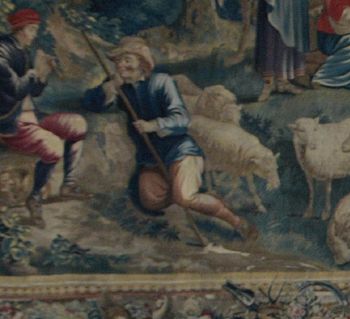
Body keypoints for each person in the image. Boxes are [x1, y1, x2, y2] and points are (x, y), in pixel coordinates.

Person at [83, 37, 256, 241]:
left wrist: (153, 125)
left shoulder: (161, 82)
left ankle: (236, 222)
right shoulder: (119, 87)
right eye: (118, 61)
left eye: (127, 59)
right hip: (151, 157)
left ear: (142, 62)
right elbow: (90, 103)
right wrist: (109, 88)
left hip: (179, 150)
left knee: (185, 197)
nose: (121, 65)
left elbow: (182, 119)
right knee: (150, 200)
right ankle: (186, 194)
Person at [0, 8, 87, 219]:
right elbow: (17, 89)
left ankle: (68, 184)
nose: (34, 34)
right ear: (21, 29)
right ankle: (35, 196)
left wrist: (43, 73)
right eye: (32, 30)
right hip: (10, 123)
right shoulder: (2, 53)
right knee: (54, 145)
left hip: (31, 118)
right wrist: (33, 72)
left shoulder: (22, 51)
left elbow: (34, 91)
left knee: (77, 124)